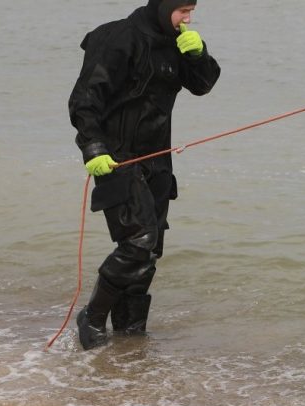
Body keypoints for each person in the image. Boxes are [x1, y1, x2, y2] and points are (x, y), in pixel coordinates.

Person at [69, 0, 221, 350]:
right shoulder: (118, 38)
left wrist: (198, 55)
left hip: (158, 159)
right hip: (116, 158)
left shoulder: (175, 42)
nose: (188, 18)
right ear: (163, 6)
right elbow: (83, 100)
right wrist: (93, 148)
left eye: (192, 10)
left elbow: (202, 85)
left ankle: (130, 333)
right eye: (183, 10)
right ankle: (92, 316)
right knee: (139, 241)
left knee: (151, 251)